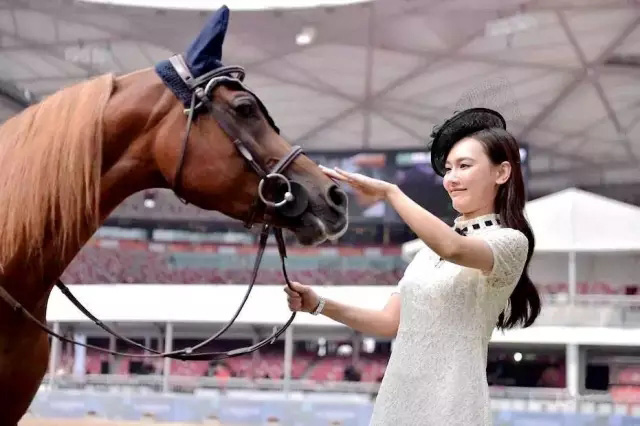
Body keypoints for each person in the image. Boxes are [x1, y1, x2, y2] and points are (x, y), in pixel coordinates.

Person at [284, 108, 541, 426]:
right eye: (448, 168)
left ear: (501, 173)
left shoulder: (510, 241)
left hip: (453, 404)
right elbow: (388, 323)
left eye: (464, 166)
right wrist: (318, 304)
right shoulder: (424, 254)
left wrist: (390, 193)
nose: (451, 179)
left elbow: (453, 248)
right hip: (398, 400)